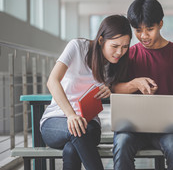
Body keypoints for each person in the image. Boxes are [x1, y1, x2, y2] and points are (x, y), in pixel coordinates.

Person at [40, 15, 132, 170]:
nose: (119, 52)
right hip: (56, 120)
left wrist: (109, 88)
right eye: (115, 46)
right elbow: (52, 81)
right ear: (101, 40)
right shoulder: (77, 47)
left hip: (90, 124)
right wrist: (71, 115)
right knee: (76, 130)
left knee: (72, 147)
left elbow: (116, 87)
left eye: (125, 47)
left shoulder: (115, 65)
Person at [112, 0, 173, 170]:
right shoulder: (127, 55)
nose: (144, 36)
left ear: (161, 24)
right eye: (138, 30)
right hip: (131, 128)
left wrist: (165, 112)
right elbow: (114, 88)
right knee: (122, 142)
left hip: (166, 128)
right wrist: (134, 84)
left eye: (150, 29)